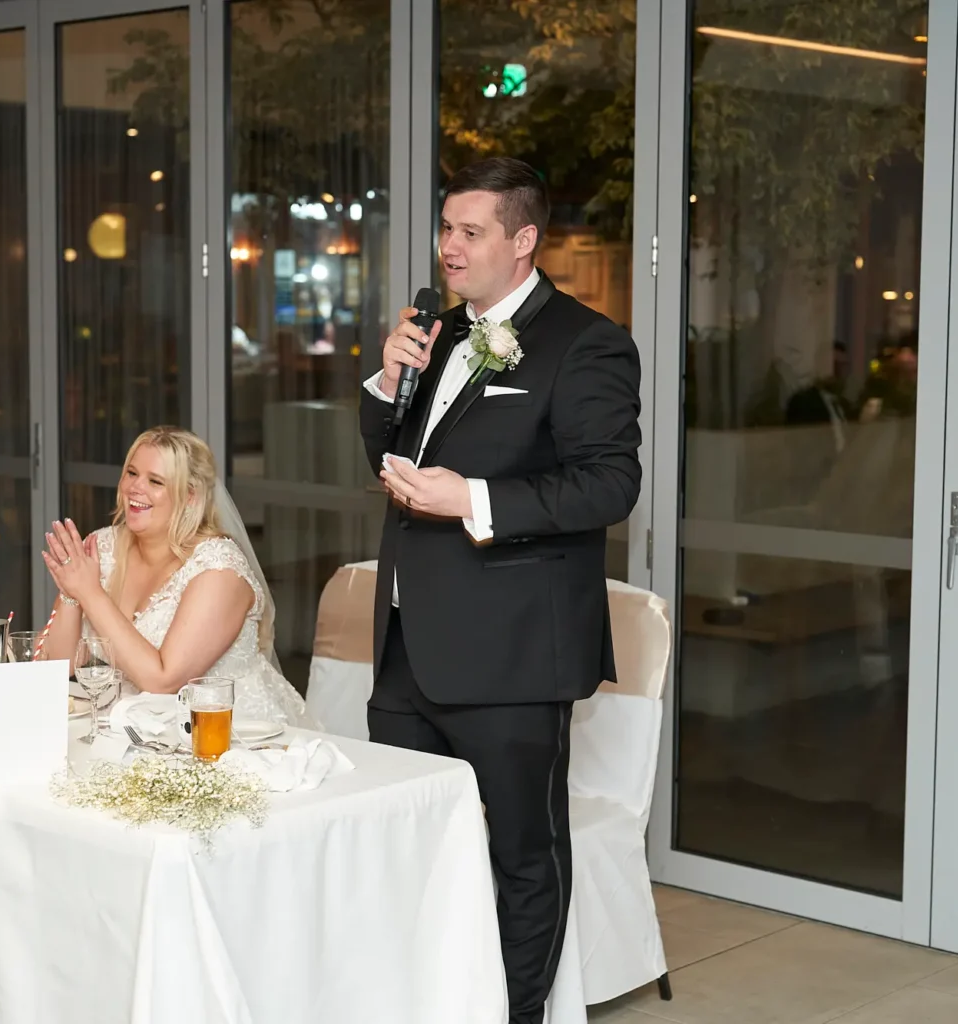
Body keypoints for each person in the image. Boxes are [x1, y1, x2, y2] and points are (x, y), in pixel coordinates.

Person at [360, 157, 641, 1023]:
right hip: (407, 646)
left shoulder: (585, 342)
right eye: (446, 228)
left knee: (523, 856)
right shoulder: (436, 331)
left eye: (470, 232)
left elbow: (609, 485)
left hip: (512, 649)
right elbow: (390, 456)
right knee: (407, 848)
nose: (449, 247)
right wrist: (387, 383)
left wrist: (473, 499)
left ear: (523, 241)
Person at [36, 426, 312, 728]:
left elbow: (163, 681)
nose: (135, 487)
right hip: (132, 728)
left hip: (229, 733)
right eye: (131, 473)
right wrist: (72, 592)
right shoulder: (103, 547)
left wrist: (89, 593)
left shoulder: (219, 569)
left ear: (190, 496)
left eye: (155, 481)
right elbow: (56, 666)